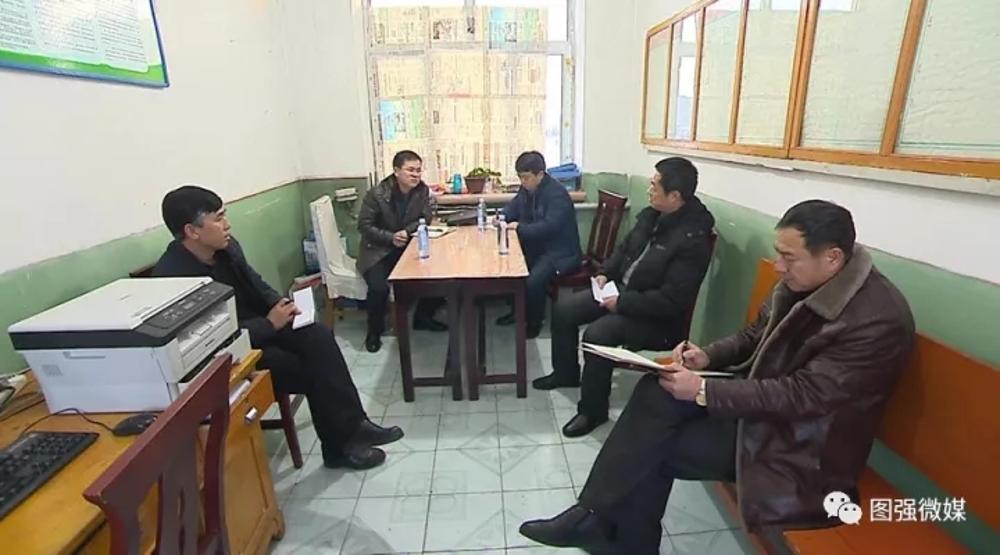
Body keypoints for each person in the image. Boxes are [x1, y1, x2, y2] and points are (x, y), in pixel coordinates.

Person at [519, 200, 916, 553]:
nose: (779, 267)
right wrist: (706, 355)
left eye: (788, 258)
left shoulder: (875, 320)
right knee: (657, 390)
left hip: (805, 448)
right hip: (765, 414)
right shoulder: (808, 281)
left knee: (655, 447)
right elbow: (754, 335)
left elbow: (805, 397)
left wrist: (705, 390)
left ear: (832, 257)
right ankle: (597, 519)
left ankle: (609, 531)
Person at [153, 185, 403, 470]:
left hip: (263, 325)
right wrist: (269, 324)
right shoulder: (174, 279)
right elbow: (210, 341)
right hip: (235, 351)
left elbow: (254, 281)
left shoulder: (226, 247)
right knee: (308, 368)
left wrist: (280, 304)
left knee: (319, 336)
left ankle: (356, 426)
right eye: (218, 218)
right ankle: (339, 447)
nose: (227, 224)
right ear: (192, 231)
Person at [536, 157, 715, 438]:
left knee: (597, 335)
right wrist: (605, 273)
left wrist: (621, 303)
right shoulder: (652, 215)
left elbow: (671, 301)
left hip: (657, 319)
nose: (649, 190)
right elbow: (624, 249)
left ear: (675, 196)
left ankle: (592, 412)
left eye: (655, 186)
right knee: (563, 309)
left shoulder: (693, 240)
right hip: (622, 291)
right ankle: (565, 374)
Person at [357, 150, 447, 353]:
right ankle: (374, 331)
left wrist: (406, 232)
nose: (416, 175)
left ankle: (423, 317)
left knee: (438, 271)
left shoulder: (421, 190)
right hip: (378, 251)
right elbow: (364, 226)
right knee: (379, 288)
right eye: (410, 170)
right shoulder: (377, 194)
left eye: (418, 170)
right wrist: (390, 237)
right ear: (396, 171)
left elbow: (425, 216)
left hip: (406, 245)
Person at [496, 151, 582, 338]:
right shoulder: (527, 189)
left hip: (560, 252)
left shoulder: (557, 194)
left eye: (526, 177)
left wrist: (519, 228)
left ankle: (534, 322)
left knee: (533, 280)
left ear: (540, 174)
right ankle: (518, 312)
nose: (522, 182)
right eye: (520, 177)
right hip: (539, 247)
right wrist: (501, 217)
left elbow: (550, 227)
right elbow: (514, 206)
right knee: (510, 268)